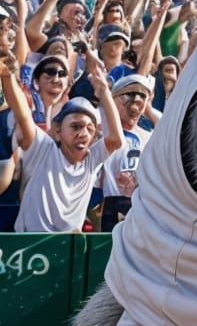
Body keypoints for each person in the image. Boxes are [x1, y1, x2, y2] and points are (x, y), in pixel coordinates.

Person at [1, 45, 123, 232]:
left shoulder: (90, 162)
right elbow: (24, 115)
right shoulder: (43, 149)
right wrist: (8, 76)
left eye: (89, 129)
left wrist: (104, 92)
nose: (83, 133)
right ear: (57, 130)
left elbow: (116, 140)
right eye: (75, 126)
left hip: (67, 250)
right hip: (28, 249)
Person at [98, 73, 155, 230]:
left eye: (142, 96)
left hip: (139, 207)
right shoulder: (99, 129)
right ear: (113, 99)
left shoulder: (149, 137)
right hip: (104, 207)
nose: (136, 102)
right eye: (129, 95)